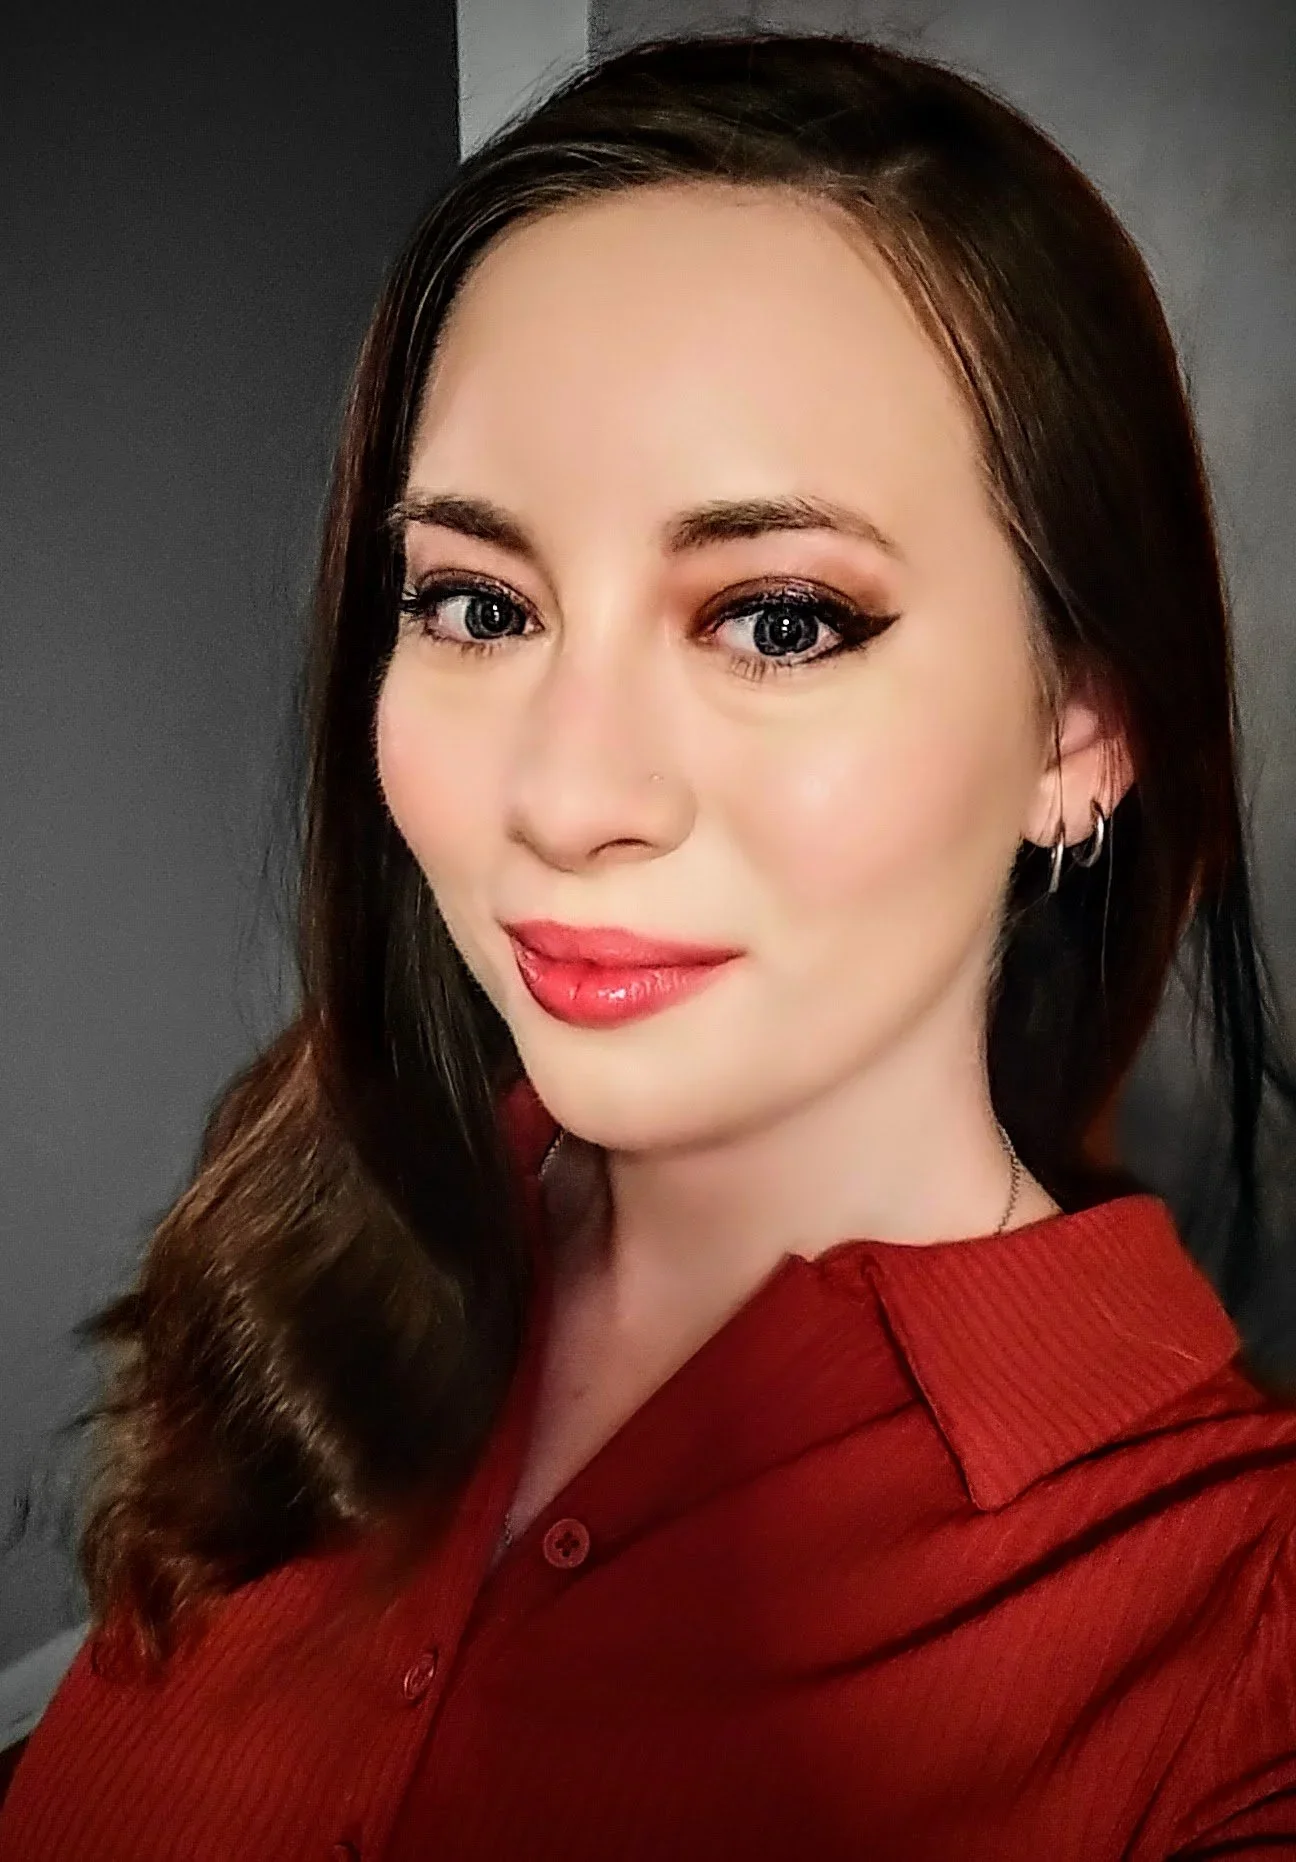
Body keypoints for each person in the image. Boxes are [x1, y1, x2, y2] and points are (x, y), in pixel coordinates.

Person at [4, 27, 1296, 1862]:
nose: (566, 788)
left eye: (776, 620)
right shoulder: (320, 1227)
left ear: (1078, 726)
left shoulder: (1234, 1644)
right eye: (476, 600)